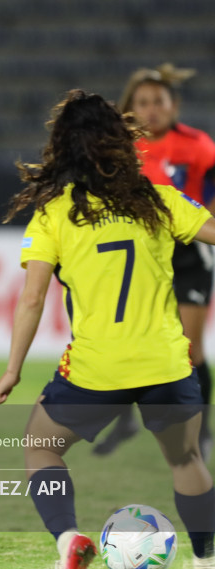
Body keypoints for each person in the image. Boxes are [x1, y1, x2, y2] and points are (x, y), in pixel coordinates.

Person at [0, 90, 215, 569]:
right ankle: (205, 567)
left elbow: (30, 301)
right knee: (186, 460)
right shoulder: (158, 199)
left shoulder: (54, 215)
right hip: (166, 363)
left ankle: (69, 538)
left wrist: (13, 369)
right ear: (123, 142)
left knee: (41, 448)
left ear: (63, 148)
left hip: (97, 369)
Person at [94, 64, 215, 458]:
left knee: (190, 348)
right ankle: (126, 419)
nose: (150, 110)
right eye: (142, 102)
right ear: (130, 106)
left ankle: (202, 430)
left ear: (174, 104)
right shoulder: (117, 148)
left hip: (188, 251)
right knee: (130, 341)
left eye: (158, 102)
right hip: (140, 253)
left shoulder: (198, 146)